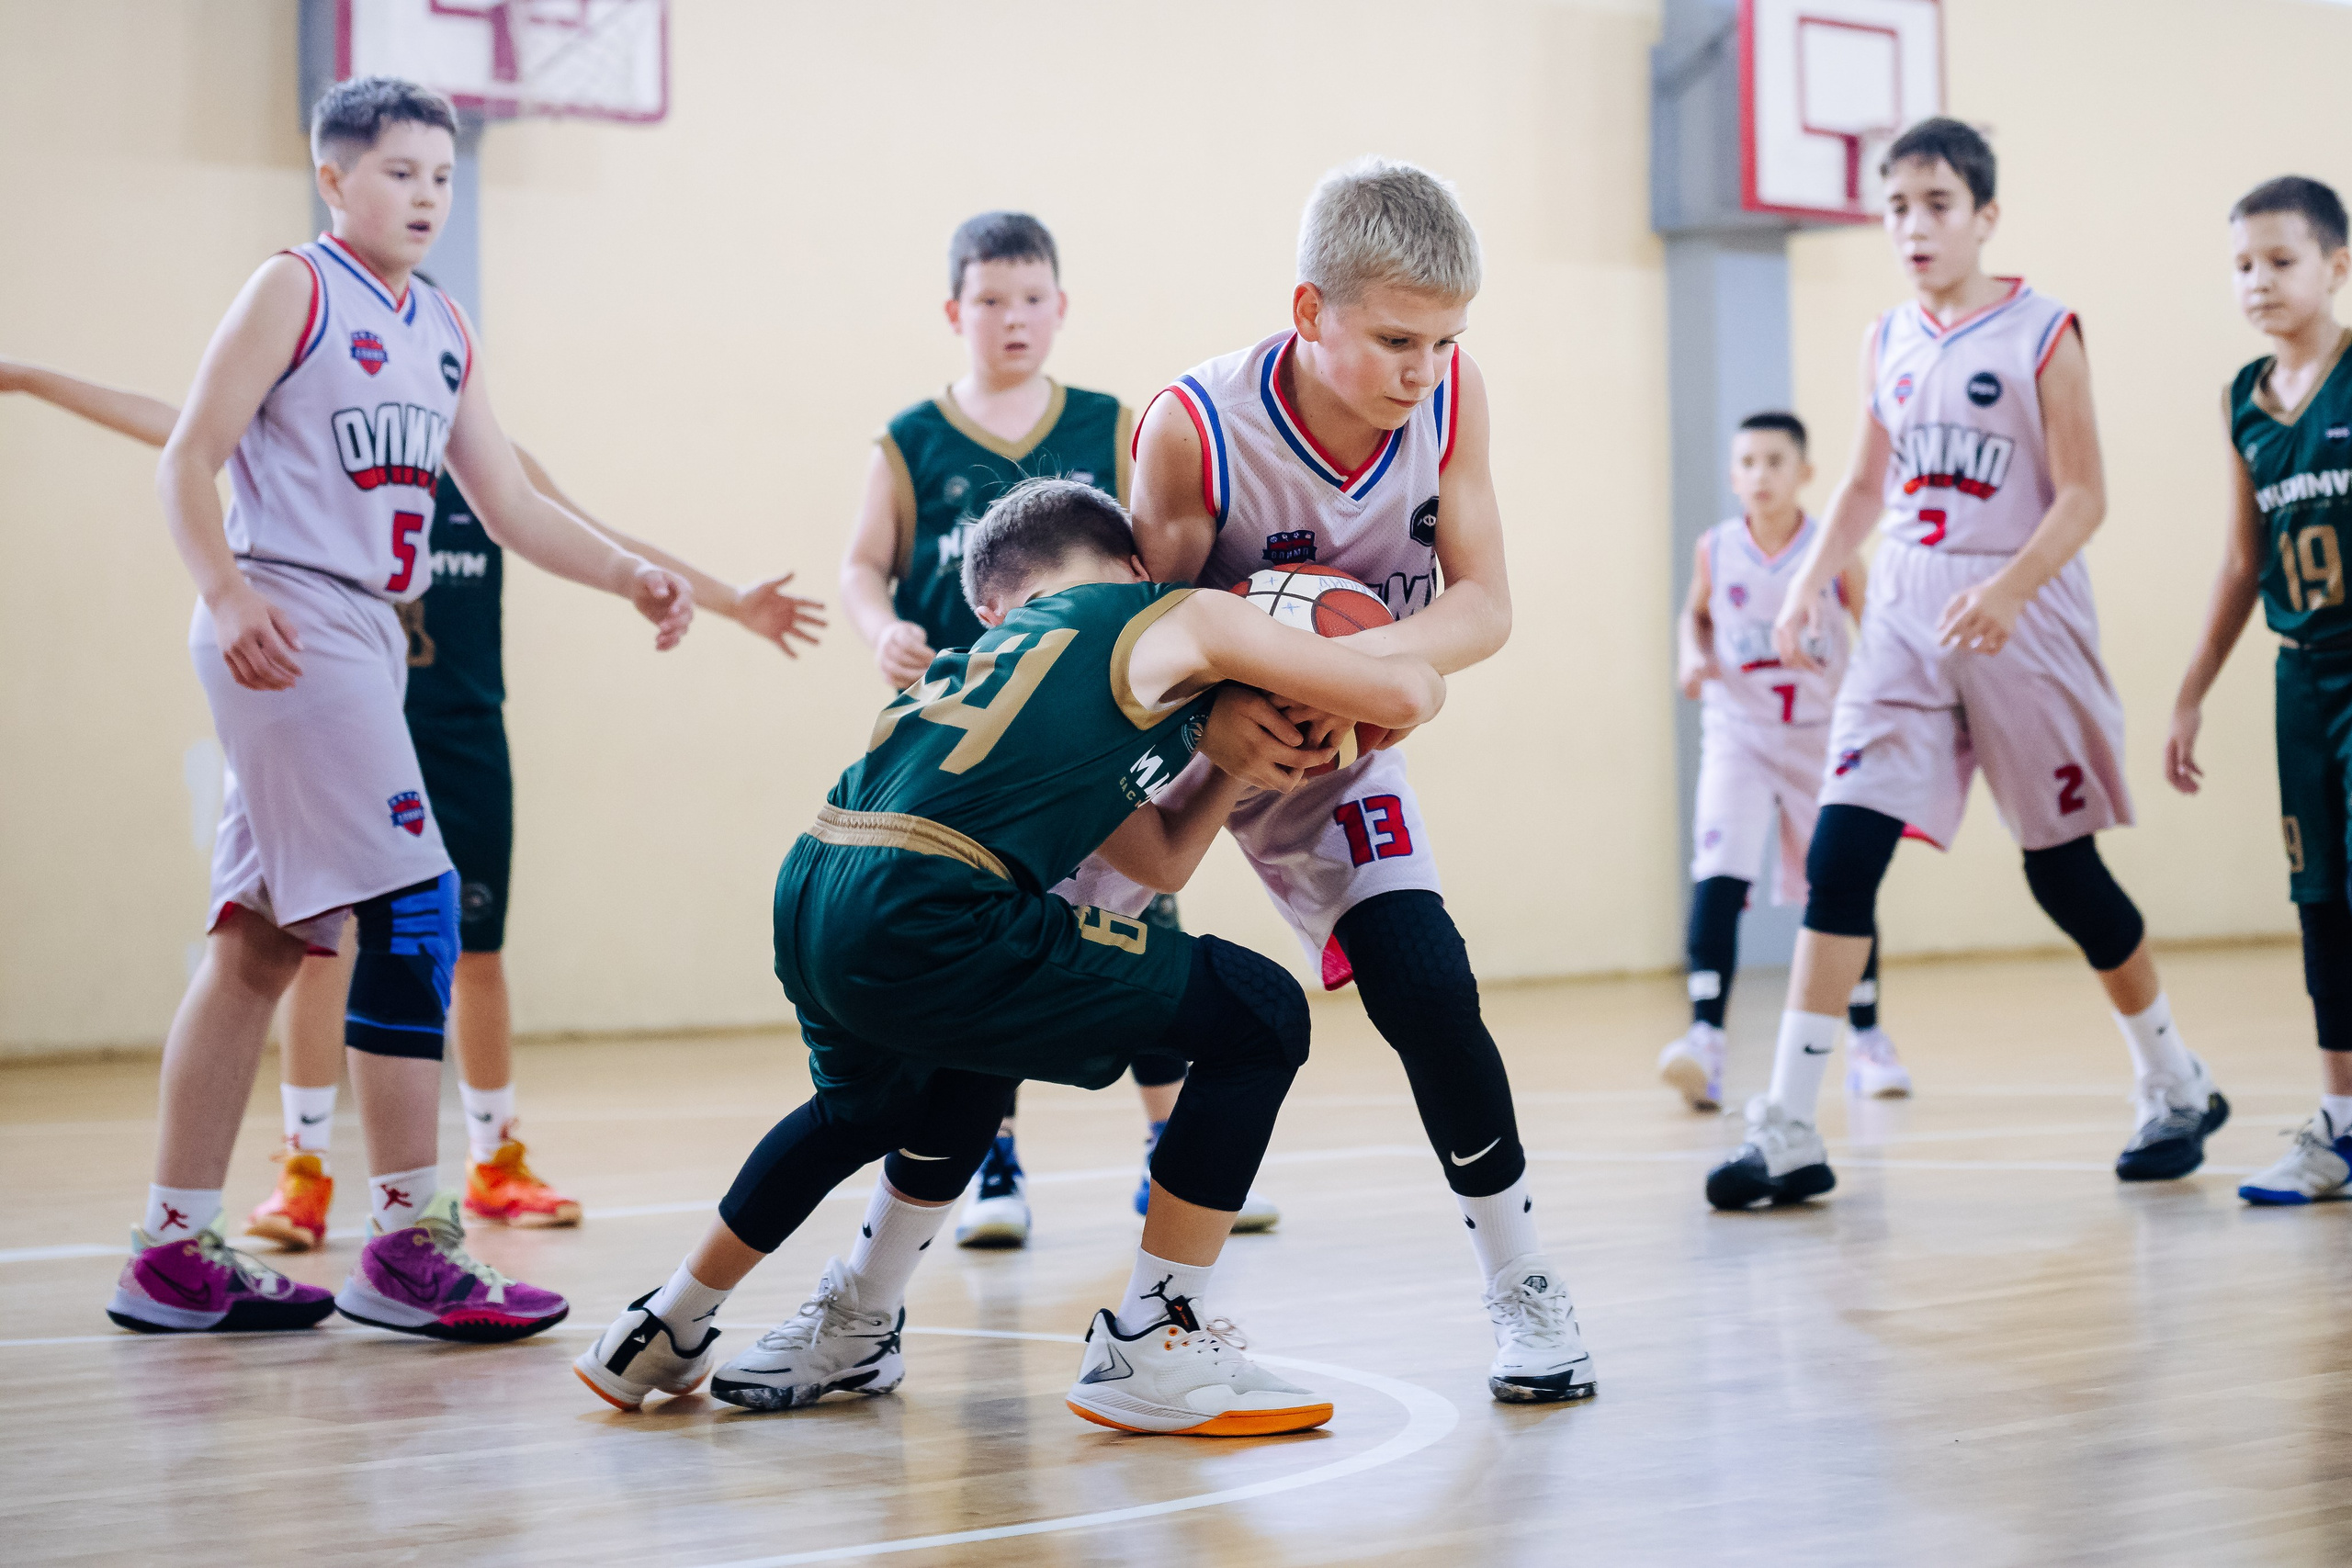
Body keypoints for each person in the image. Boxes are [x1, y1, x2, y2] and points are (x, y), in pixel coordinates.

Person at [575, 478, 1440, 1434]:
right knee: (1261, 1012)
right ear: (1137, 568)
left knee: (892, 1102)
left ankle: (665, 1324)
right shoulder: (1173, 613)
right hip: (928, 902)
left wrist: (1225, 757)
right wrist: (1315, 681)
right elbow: (1408, 688)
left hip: (820, 883)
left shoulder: (991, 656)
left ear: (992, 606)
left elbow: (1154, 860)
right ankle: (1152, 1340)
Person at [107, 76, 694, 1339]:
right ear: (335, 178)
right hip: (286, 610)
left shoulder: (445, 326)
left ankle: (169, 1249)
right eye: (398, 170)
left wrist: (627, 572)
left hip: (366, 631)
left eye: (441, 173)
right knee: (417, 902)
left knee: (259, 941)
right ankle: (409, 1239)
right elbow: (186, 457)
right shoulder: (293, 288)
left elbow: (514, 505)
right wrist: (223, 587)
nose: (427, 193)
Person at [0, 377, 823, 1252]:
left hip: (465, 735)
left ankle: (496, 1157)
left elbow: (599, 538)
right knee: (318, 948)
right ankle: (304, 1168)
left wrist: (731, 600)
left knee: (478, 950)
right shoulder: (310, 446)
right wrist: (25, 376)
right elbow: (175, 423)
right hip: (346, 718)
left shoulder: (488, 467)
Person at [1125, 158, 1597, 1404]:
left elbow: (1484, 603)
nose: (1422, 370)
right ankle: (868, 1291)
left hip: (1329, 746)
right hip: (1185, 742)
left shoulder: (1452, 400)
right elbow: (1138, 641)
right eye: (1395, 339)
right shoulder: (1193, 426)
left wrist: (1347, 671)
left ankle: (1522, 1280)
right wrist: (1248, 697)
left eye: (1446, 339)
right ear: (1308, 312)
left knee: (1429, 986)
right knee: (1006, 981)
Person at [1703, 118, 2223, 1212]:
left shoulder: (2042, 332)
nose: (1914, 225)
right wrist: (1809, 581)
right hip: (1901, 610)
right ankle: (1790, 1125)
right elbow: (1858, 486)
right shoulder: (1885, 337)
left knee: (2061, 873)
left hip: (2020, 610)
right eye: (1896, 206)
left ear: (1984, 216)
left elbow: (2084, 494)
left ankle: (2174, 1082)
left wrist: (2007, 589)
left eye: (1936, 203)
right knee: (1842, 851)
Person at [837, 211, 1273, 1247]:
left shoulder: (1114, 422)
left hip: (1096, 723)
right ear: (957, 311)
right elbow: (862, 563)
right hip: (979, 748)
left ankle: (1169, 1146)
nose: (1013, 317)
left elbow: (1165, 554)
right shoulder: (910, 441)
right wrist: (882, 625)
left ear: (1061, 307)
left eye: (1031, 297)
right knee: (994, 928)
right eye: (990, 299)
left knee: (1137, 915)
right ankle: (991, 1157)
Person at [2165, 175, 2352, 1204]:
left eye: (2279, 260)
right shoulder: (2243, 398)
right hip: (2301, 680)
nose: (2257, 281)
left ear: (2335, 266)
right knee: (2321, 901)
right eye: (2242, 263)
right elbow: (2242, 564)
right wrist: (2190, 692)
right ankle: (2340, 1129)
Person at [1658, 412, 1905, 1111]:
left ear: (1804, 473)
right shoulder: (1717, 547)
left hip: (1823, 737)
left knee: (1839, 880)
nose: (1760, 475)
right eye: (1748, 462)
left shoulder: (1831, 548)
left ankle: (1867, 1040)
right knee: (1719, 874)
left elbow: (1876, 625)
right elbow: (1695, 614)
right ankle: (1704, 1040)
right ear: (1734, 475)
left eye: (1775, 461)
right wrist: (1691, 652)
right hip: (1740, 731)